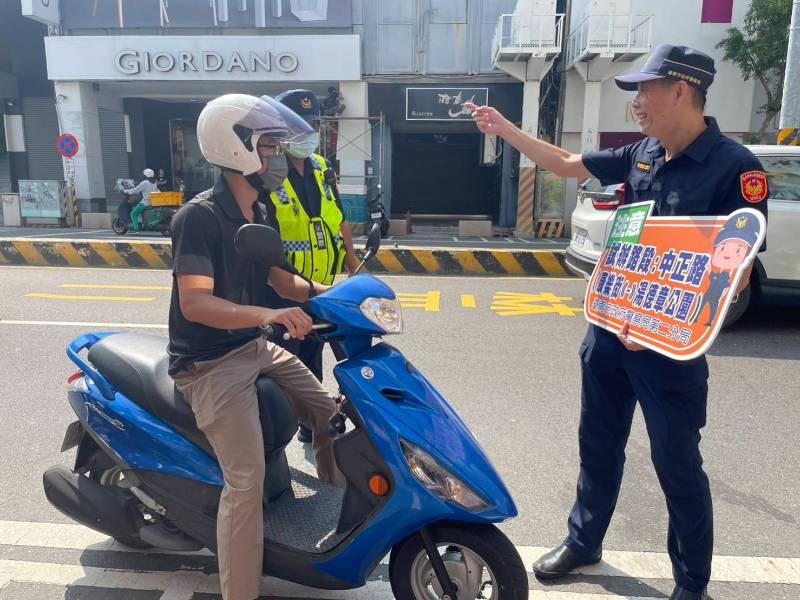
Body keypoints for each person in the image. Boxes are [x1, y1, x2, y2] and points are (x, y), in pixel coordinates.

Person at [467, 44, 768, 600]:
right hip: (610, 333)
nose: (636, 103)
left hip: (669, 345)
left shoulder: (737, 169)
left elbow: (738, 271)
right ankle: (584, 542)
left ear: (681, 90)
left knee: (677, 463)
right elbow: (561, 164)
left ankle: (691, 583)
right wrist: (503, 125)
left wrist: (657, 314)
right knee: (598, 443)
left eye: (645, 90)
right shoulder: (642, 154)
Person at [168, 93, 346, 600]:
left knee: (327, 414)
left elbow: (282, 281)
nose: (278, 159)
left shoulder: (262, 207)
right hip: (208, 364)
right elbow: (198, 303)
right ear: (237, 148)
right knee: (244, 483)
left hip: (252, 347)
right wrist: (268, 315)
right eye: (268, 148)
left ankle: (332, 514)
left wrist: (337, 298)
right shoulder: (198, 218)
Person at [268, 89, 359, 444]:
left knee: (312, 350)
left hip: (322, 283)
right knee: (285, 357)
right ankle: (279, 427)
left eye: (312, 123)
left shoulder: (322, 167)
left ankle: (311, 423)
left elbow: (339, 219)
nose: (306, 130)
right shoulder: (268, 171)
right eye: (297, 124)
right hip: (281, 287)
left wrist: (353, 265)